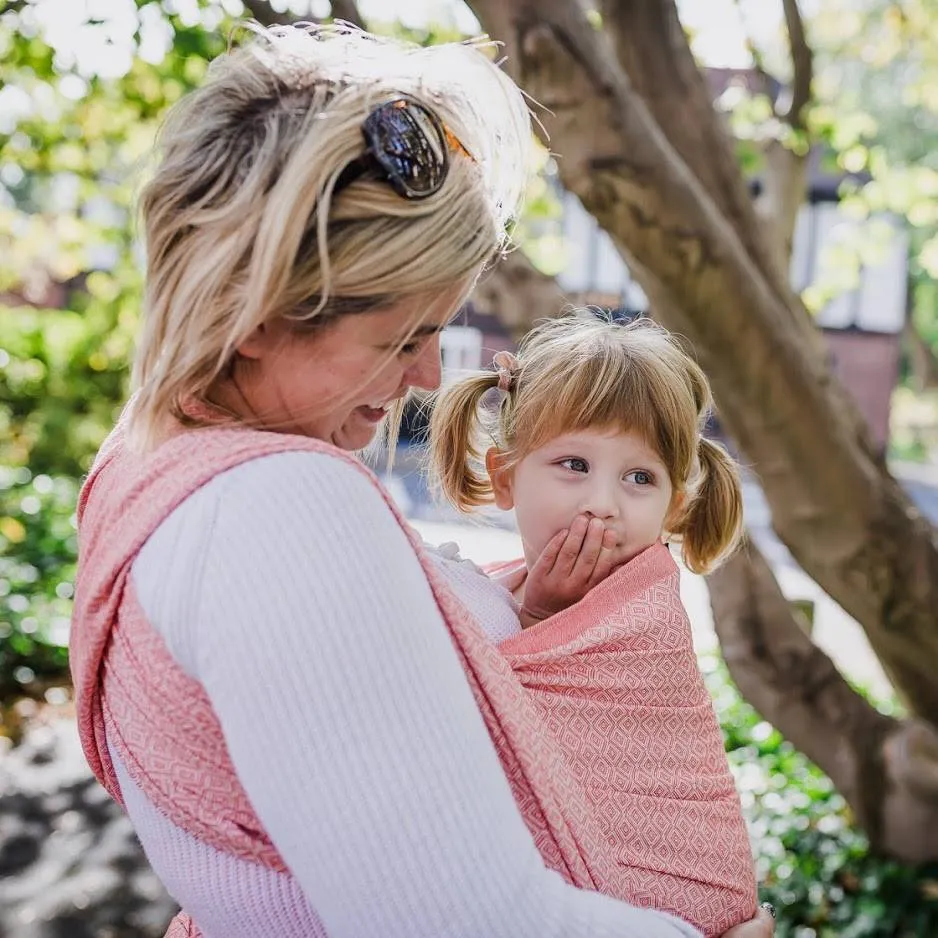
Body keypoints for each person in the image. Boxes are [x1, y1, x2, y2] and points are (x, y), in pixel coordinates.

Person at [69, 21, 776, 938]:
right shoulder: (280, 511)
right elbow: (459, 919)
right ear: (256, 317)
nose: (429, 378)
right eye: (400, 338)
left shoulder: (140, 475)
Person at [428, 312, 759, 936]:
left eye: (640, 478)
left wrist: (547, 619)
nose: (602, 504)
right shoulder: (486, 583)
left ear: (673, 508)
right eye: (574, 465)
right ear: (505, 477)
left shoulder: (644, 622)